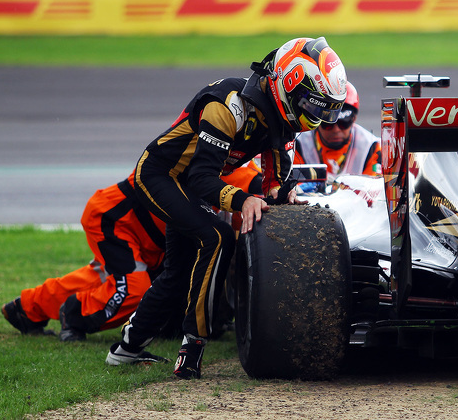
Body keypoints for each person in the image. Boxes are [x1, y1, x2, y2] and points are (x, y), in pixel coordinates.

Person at [103, 36, 348, 380]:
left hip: (187, 183)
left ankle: (124, 351)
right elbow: (202, 178)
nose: (320, 116)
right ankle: (193, 346)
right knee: (217, 237)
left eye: (327, 109)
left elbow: (274, 181)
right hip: (160, 175)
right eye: (316, 105)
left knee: (177, 275)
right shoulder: (229, 104)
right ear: (290, 84)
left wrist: (283, 194)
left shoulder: (282, 116)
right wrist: (242, 199)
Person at [0, 161, 269, 342]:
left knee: (104, 281)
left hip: (145, 237)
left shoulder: (237, 164)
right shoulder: (208, 156)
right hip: (115, 219)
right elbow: (243, 181)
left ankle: (26, 308)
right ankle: (74, 315)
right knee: (133, 290)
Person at [293, 82, 382, 182]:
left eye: (344, 123)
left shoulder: (371, 147)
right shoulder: (296, 145)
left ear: (354, 118)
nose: (336, 130)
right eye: (328, 124)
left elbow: (375, 189)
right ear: (316, 120)